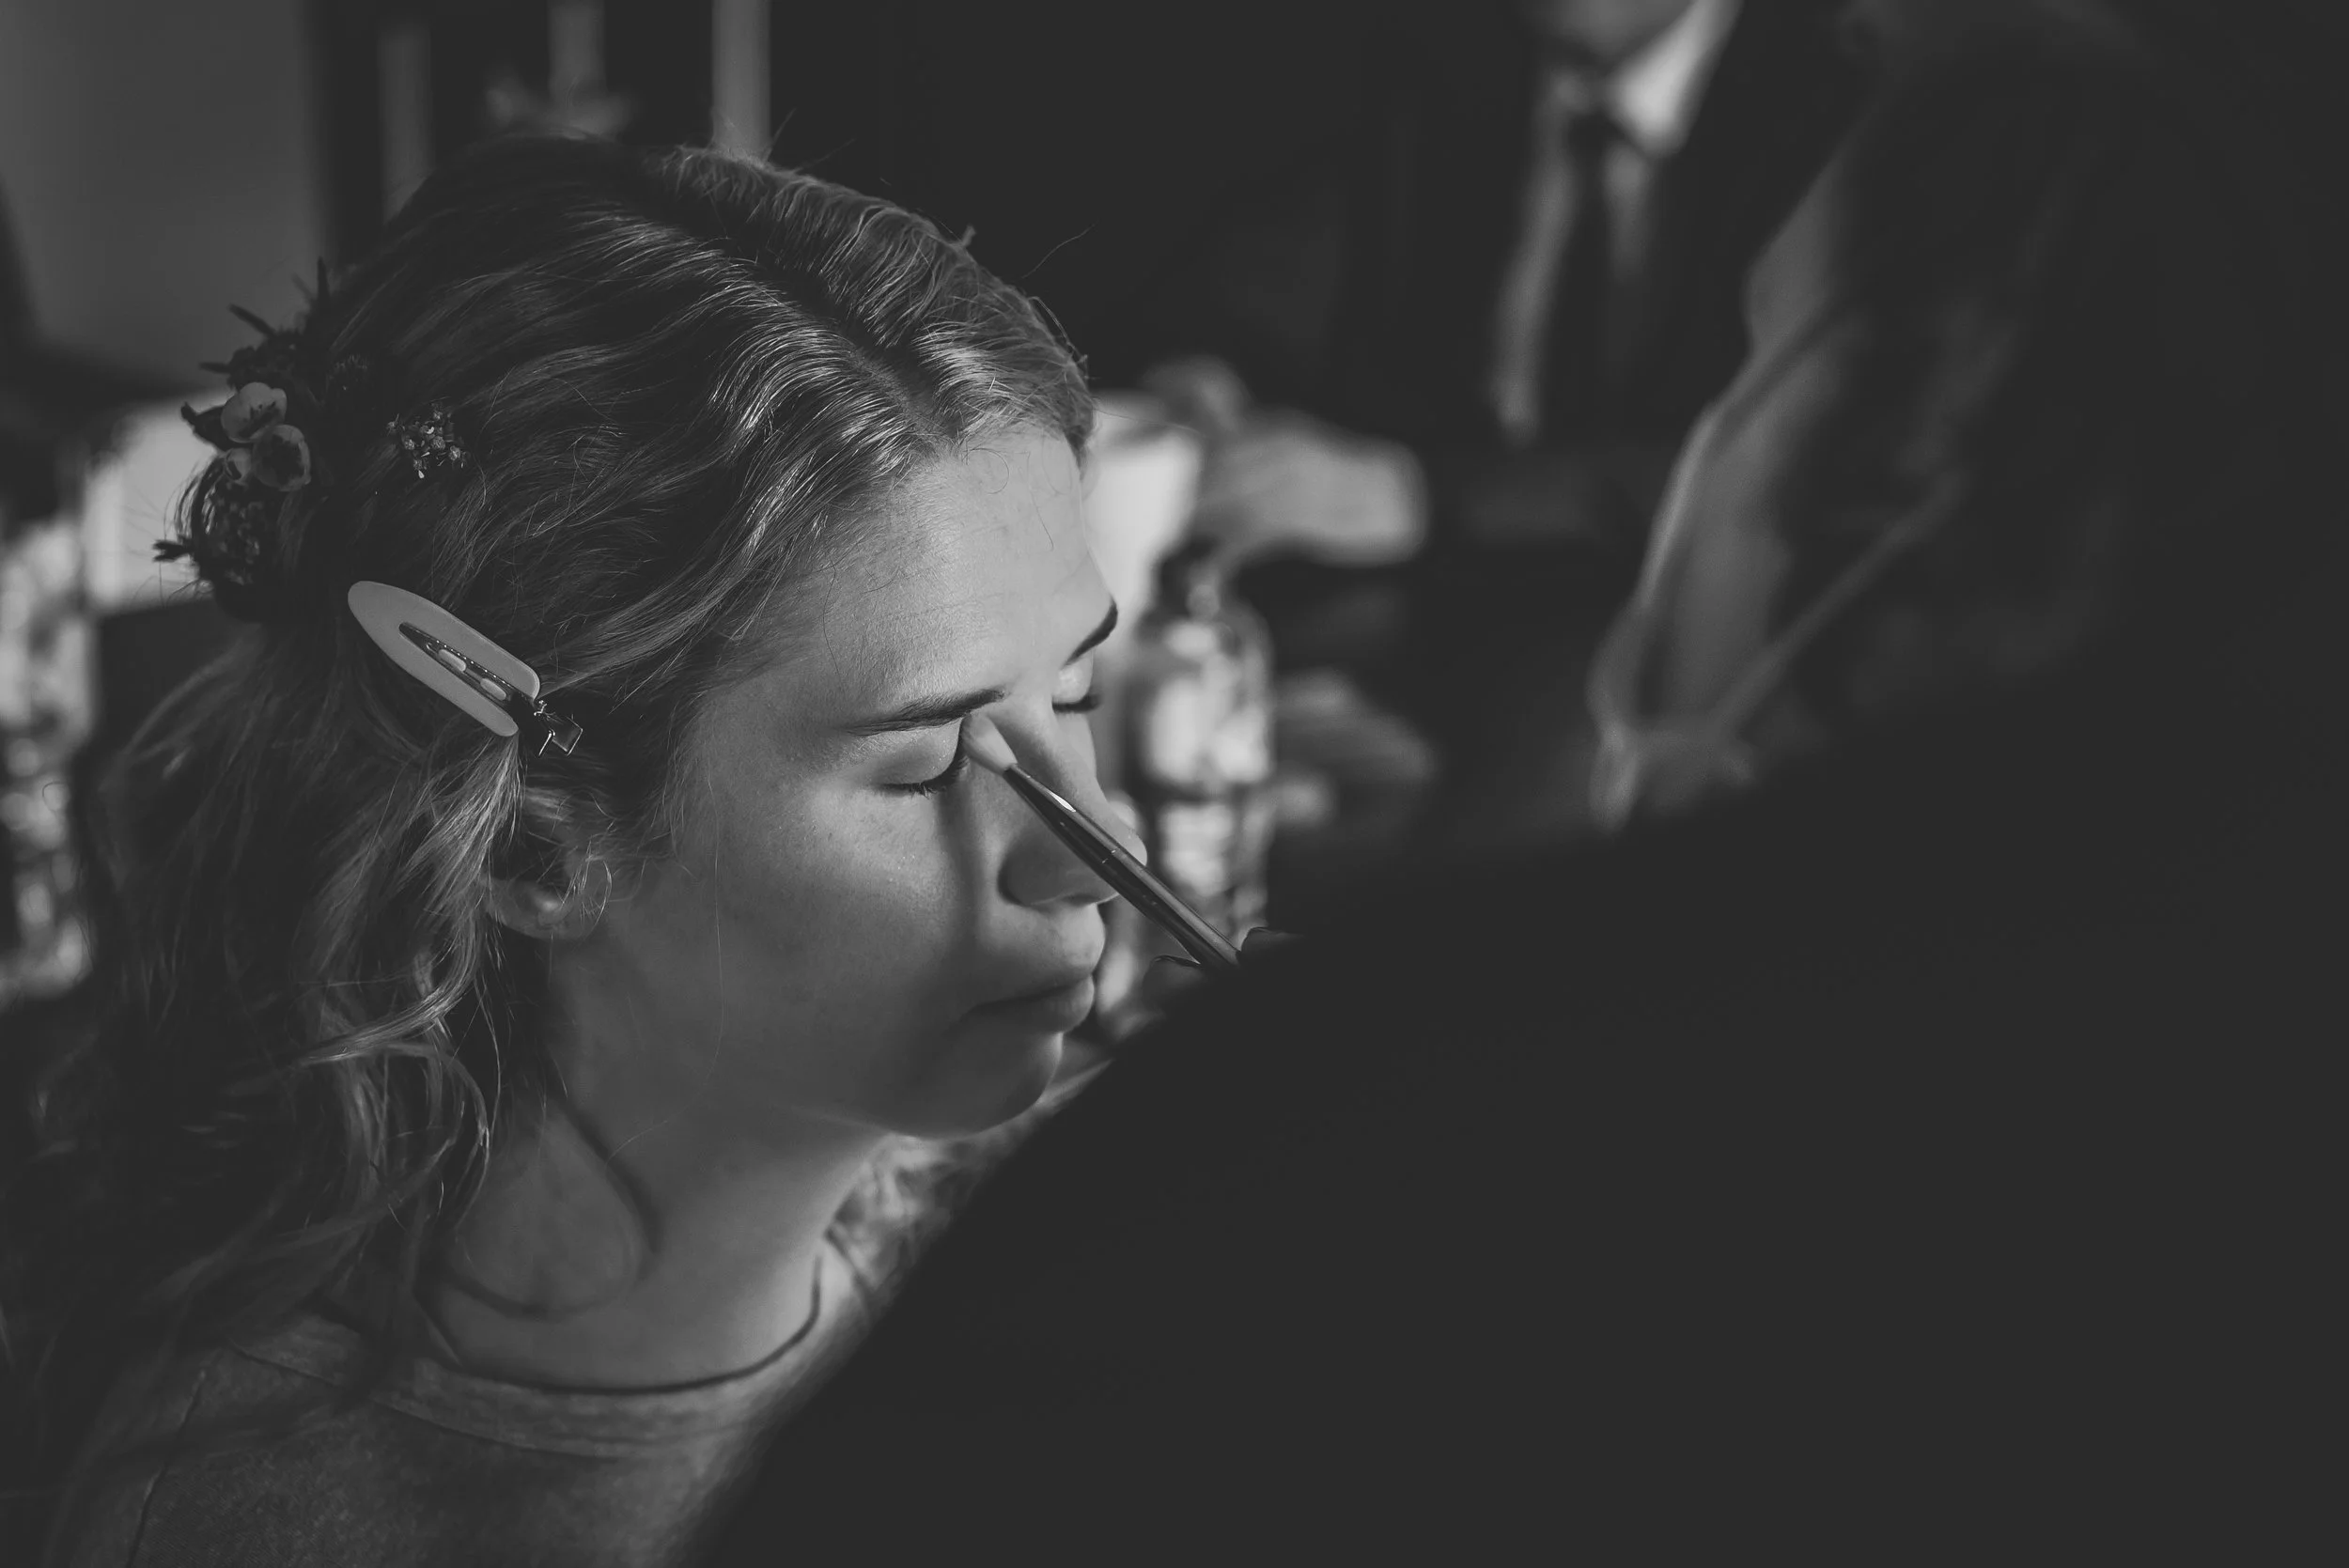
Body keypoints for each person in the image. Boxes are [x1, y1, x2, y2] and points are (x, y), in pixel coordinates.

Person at [703, 0, 2347, 1558]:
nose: (1092, 836)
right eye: (934, 743)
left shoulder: (1291, 1192)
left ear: (1918, 464)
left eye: (1763, 357)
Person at [1, 132, 1135, 1566]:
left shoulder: (1101, 1254)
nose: (1094, 852)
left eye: (1078, 691)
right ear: (536, 846)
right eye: (923, 764)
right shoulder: (255, 1529)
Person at [1097, 0, 1871, 845]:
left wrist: (1422, 495)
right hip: (1410, 641)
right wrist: (1206, 367)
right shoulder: (1449, 51)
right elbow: (1275, 259)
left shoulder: (1846, 95)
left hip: (1668, 659)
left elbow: (1802, 453)